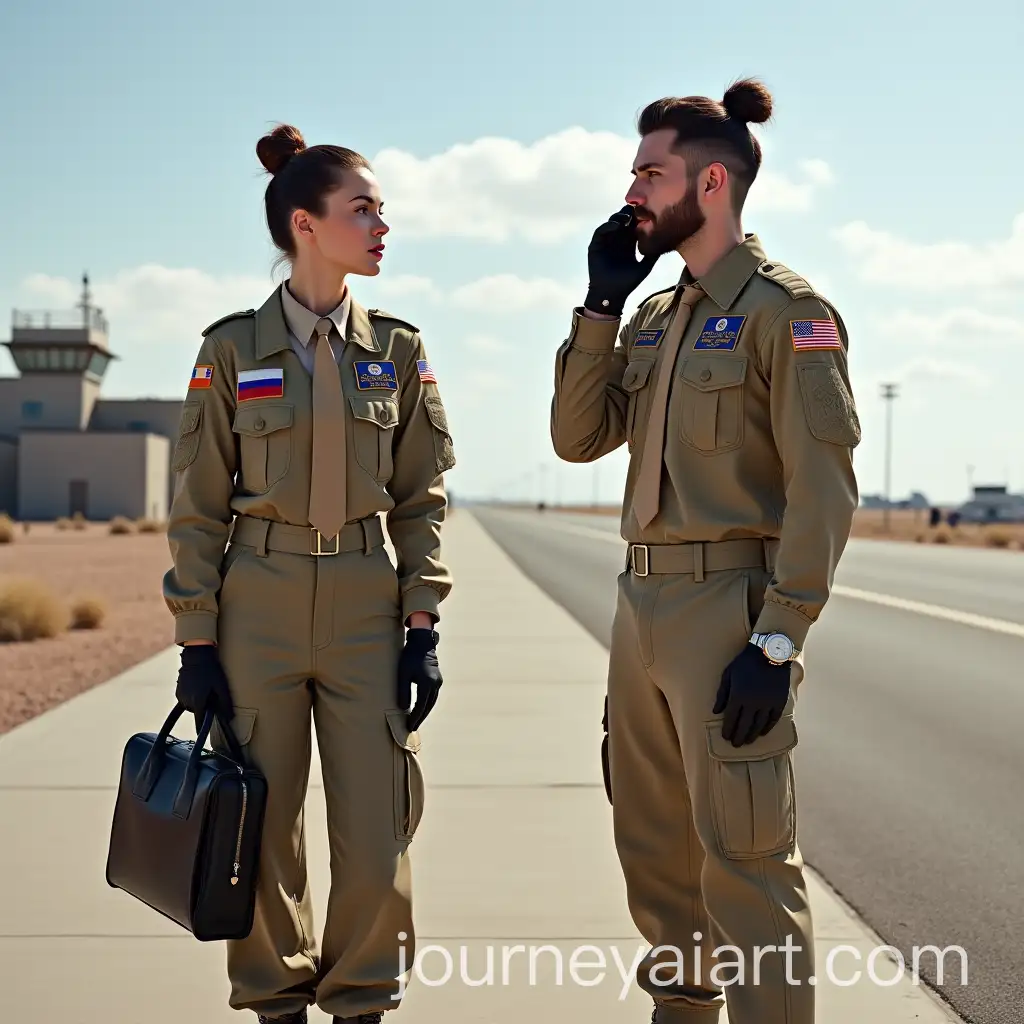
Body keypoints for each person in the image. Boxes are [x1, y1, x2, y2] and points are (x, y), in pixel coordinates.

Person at [550, 79, 860, 1024]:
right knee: (657, 862)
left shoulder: (786, 311)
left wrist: (779, 637)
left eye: (651, 171)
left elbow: (824, 487)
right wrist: (602, 300)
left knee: (747, 865)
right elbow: (577, 438)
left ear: (712, 181)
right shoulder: (651, 316)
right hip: (640, 609)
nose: (633, 190)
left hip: (729, 613)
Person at [162, 123, 457, 1024]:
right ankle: (273, 1000)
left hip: (369, 602)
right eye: (362, 209)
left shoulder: (399, 351)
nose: (381, 226)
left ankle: (362, 998)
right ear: (306, 224)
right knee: (259, 827)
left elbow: (422, 498)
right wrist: (197, 642)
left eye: (381, 210)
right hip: (260, 604)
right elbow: (198, 504)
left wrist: (423, 625)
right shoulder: (229, 349)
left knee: (375, 831)